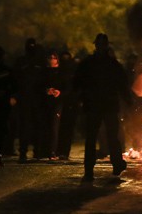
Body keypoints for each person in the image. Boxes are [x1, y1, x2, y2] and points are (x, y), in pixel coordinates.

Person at [72, 33, 131, 183]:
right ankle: (113, 165)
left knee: (95, 139)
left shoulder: (90, 63)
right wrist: (129, 102)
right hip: (103, 105)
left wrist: (79, 99)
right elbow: (122, 85)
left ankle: (91, 171)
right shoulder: (110, 64)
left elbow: (77, 84)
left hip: (97, 105)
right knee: (107, 138)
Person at [13, 37, 46, 162]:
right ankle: (23, 152)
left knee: (37, 125)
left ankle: (37, 151)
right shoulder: (21, 61)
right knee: (25, 126)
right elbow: (16, 79)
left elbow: (44, 79)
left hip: (37, 98)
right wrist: (16, 95)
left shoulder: (39, 62)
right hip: (25, 98)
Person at [42, 52, 65, 160]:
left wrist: (59, 92)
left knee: (54, 127)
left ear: (57, 60)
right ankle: (44, 150)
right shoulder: (44, 71)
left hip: (57, 102)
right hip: (45, 102)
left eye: (54, 58)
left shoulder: (61, 72)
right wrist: (46, 90)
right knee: (45, 126)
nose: (52, 60)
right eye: (50, 58)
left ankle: (52, 151)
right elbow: (39, 85)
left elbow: (66, 86)